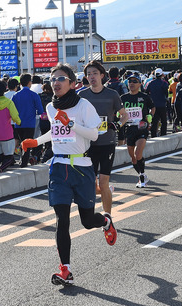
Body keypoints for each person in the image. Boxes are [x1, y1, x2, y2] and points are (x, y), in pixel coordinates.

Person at [20, 63, 117, 286]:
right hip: (58, 167)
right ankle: (66, 270)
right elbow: (55, 130)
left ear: (73, 84)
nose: (56, 82)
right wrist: (37, 141)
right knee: (61, 219)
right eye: (53, 79)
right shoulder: (52, 107)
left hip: (82, 167)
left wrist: (71, 123)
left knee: (87, 220)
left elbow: (93, 135)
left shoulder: (84, 106)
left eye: (61, 78)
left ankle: (105, 221)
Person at [78, 61, 128, 218]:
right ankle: (103, 195)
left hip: (107, 143)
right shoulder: (81, 95)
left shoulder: (112, 94)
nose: (91, 77)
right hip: (88, 145)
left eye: (94, 73)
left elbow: (124, 115)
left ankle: (107, 217)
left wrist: (117, 125)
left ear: (102, 75)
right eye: (88, 74)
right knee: (92, 185)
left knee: (103, 182)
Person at [120, 75, 155, 188]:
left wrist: (150, 116)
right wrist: (118, 115)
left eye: (135, 81)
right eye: (130, 81)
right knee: (133, 158)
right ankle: (142, 174)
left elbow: (153, 107)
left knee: (137, 153)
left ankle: (141, 177)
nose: (132, 83)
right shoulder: (123, 98)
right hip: (129, 129)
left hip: (141, 128)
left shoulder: (144, 97)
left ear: (140, 84)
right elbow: (119, 111)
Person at [12, 73, 44, 167]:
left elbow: (12, 110)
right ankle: (24, 163)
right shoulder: (34, 95)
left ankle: (23, 161)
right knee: (28, 145)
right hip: (30, 123)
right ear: (30, 82)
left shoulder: (15, 95)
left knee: (22, 144)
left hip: (18, 124)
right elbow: (40, 111)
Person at [145, 68, 169, 137]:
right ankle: (163, 134)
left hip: (153, 105)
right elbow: (166, 94)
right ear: (161, 75)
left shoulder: (150, 83)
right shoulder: (164, 83)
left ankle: (153, 135)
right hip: (162, 104)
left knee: (154, 122)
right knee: (164, 121)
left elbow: (146, 92)